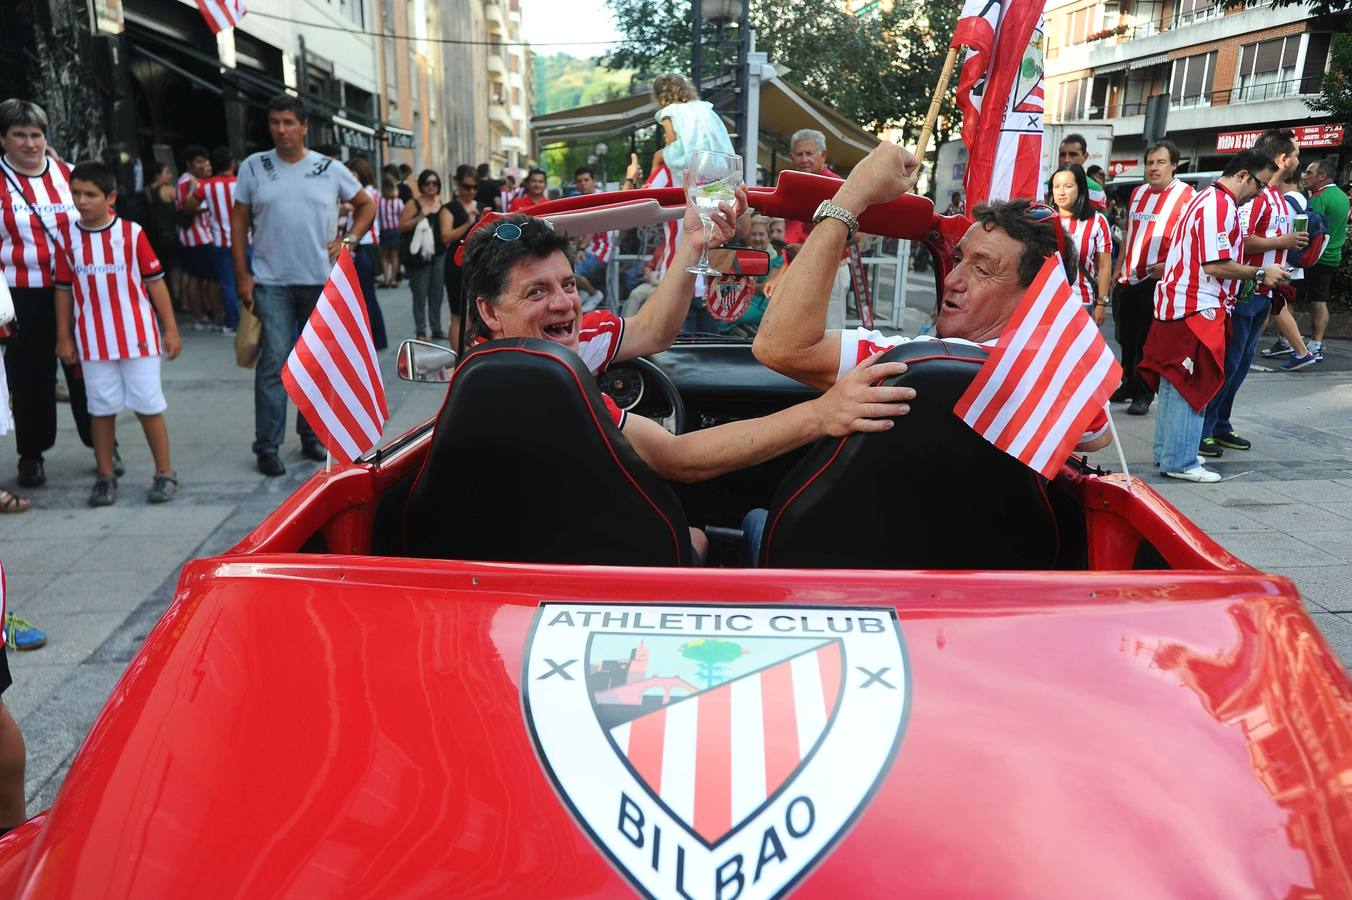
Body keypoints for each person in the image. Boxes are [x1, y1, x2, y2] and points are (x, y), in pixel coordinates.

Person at [462, 213, 913, 559]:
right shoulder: (536, 383)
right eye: (536, 292)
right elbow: (679, 459)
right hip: (569, 559)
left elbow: (652, 331)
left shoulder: (553, 347)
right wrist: (822, 412)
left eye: (566, 284)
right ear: (489, 311)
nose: (564, 304)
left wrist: (693, 243)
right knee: (705, 538)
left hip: (544, 537)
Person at [752, 141, 1112, 455]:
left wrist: (852, 195)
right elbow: (1099, 435)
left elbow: (780, 346)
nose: (953, 280)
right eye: (957, 259)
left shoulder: (923, 364)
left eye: (982, 269)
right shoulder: (1057, 382)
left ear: (1039, 296)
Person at [231, 94, 374, 477]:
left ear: (304, 126)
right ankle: (267, 446)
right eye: (275, 122)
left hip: (319, 281)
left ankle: (311, 436)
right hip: (271, 281)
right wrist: (242, 274)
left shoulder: (329, 168)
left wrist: (348, 241)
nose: (281, 130)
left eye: (289, 122)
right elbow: (239, 221)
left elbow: (367, 205)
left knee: (317, 364)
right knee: (275, 363)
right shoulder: (254, 166)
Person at [1139, 149, 1287, 484]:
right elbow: (1215, 265)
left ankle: (1170, 454)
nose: (1260, 193)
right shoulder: (1217, 205)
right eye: (1260, 185)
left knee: (1175, 383)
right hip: (1195, 308)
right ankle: (1181, 460)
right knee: (1190, 384)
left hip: (1182, 306)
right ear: (1243, 175)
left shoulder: (1207, 199)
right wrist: (1260, 274)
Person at [53, 161, 181, 506]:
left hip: (138, 339)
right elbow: (63, 290)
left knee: (148, 405)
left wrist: (170, 329)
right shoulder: (67, 237)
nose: (81, 201)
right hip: (92, 342)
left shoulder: (132, 233)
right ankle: (105, 476)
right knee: (100, 409)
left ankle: (165, 472)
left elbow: (156, 284)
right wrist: (64, 337)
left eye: (90, 194)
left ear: (110, 197)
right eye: (76, 193)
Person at [1196, 130, 1310, 463]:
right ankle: (1203, 429)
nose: (1299, 160)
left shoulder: (1275, 195)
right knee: (1229, 364)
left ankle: (1220, 423)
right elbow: (1240, 241)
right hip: (1245, 292)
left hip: (1264, 293)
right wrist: (1281, 243)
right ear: (1283, 159)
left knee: (1241, 365)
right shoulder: (1257, 197)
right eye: (1296, 154)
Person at [0, 98, 96, 488]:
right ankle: (31, 455)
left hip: (74, 291)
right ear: (3, 139)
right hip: (21, 294)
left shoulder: (68, 174)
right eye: (19, 135)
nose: (29, 143)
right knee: (29, 378)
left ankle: (103, 445)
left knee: (86, 373)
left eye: (36, 134)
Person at [1110, 140, 1194, 416]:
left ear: (1174, 165)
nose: (1154, 168)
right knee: (1125, 337)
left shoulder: (1187, 196)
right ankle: (1128, 383)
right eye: (1149, 163)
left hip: (1158, 280)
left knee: (1146, 340)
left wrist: (1167, 266)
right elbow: (1130, 233)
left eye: (1160, 162)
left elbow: (1190, 242)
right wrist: (1118, 268)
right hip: (1129, 277)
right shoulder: (1138, 193)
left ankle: (1144, 393)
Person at [781, 128, 860, 330]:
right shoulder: (793, 184)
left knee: (829, 332)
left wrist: (809, 249)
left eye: (809, 153)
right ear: (792, 157)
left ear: (823, 155)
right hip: (796, 271)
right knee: (797, 331)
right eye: (799, 154)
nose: (804, 159)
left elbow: (860, 233)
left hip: (828, 271)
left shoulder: (838, 186)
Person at [184, 146, 240, 336]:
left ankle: (232, 322)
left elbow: (188, 207)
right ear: (232, 164)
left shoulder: (206, 186)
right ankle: (257, 322)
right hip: (244, 240)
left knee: (227, 283)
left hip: (220, 242)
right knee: (252, 280)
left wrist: (193, 189)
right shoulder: (241, 183)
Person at [1049, 163, 1112, 325]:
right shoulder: (1044, 220)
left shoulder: (1097, 221)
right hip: (1047, 303)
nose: (1061, 192)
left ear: (1080, 188)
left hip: (1082, 303)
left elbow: (1104, 266)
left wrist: (1101, 303)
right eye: (1056, 186)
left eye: (1068, 186)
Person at [1301, 159, 1348, 360]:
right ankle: (1316, 345)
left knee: (1286, 299)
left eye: (1309, 173)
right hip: (1332, 257)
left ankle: (1287, 341)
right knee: (1319, 300)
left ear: (1322, 176)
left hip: (1313, 257)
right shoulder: (1342, 196)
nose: (1304, 176)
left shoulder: (1319, 197)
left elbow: (1309, 230)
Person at [343, 157, 388, 351]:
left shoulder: (366, 193)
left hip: (363, 247)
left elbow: (348, 210)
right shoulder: (372, 192)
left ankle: (372, 339)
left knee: (365, 296)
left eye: (352, 175)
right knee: (366, 295)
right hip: (366, 247)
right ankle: (376, 338)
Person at [399, 168, 449, 340]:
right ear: (421, 185)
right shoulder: (413, 204)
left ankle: (436, 328)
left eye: (434, 183)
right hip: (418, 256)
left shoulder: (440, 203)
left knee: (437, 292)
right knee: (419, 293)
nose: (431, 186)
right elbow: (402, 226)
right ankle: (421, 330)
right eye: (428, 183)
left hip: (439, 253)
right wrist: (418, 217)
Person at [175, 144, 217, 330]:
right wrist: (207, 207)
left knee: (200, 277)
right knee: (197, 278)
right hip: (195, 237)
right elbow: (187, 207)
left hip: (199, 236)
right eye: (199, 161)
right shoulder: (188, 182)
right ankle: (200, 317)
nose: (203, 165)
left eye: (205, 161)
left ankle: (203, 314)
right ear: (189, 164)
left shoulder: (191, 180)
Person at [441, 165, 480, 350]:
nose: (471, 191)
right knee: (457, 313)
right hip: (457, 264)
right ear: (458, 185)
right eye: (466, 186)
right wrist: (467, 224)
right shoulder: (449, 208)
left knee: (478, 312)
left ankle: (473, 352)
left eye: (475, 187)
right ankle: (459, 357)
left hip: (480, 264)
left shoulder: (482, 206)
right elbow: (445, 237)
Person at [141, 161, 180, 309]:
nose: (170, 176)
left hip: (154, 236)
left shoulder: (146, 192)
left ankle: (158, 300)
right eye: (166, 172)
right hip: (170, 235)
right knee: (175, 267)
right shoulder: (169, 190)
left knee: (158, 270)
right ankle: (176, 297)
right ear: (157, 175)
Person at [1058, 134, 1106, 211]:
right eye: (1062, 155)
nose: (1066, 160)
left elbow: (1101, 218)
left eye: (1073, 155)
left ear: (1085, 156)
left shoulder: (1095, 190)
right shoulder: (1046, 186)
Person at [377, 175, 403, 288]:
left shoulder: (380, 201)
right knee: (395, 256)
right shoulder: (398, 202)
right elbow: (402, 215)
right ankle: (393, 280)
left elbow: (377, 216)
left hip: (384, 230)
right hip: (395, 230)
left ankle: (386, 279)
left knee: (384, 256)